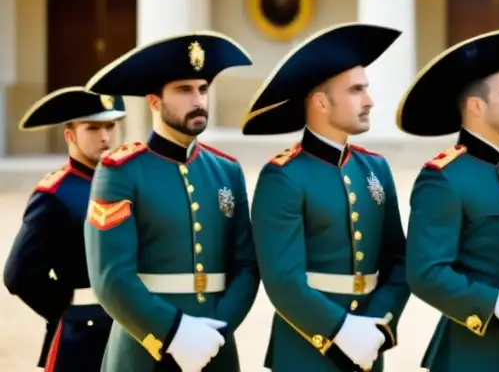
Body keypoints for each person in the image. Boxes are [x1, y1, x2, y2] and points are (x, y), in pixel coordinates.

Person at [83, 32, 260, 372]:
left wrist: (216, 330)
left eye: (203, 89)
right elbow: (111, 278)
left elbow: (247, 266)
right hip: (144, 350)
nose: (198, 100)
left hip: (215, 347)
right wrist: (174, 333)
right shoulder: (119, 171)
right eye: (184, 90)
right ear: (153, 101)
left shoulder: (227, 171)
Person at [243, 22, 410, 372]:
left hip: (370, 343)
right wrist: (342, 330)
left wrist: (378, 325)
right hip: (306, 352)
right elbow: (282, 280)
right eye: (356, 90)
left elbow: (399, 262)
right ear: (321, 102)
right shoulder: (283, 176)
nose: (370, 100)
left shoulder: (375, 168)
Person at [401, 29, 499, 372]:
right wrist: (495, 303)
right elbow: (425, 272)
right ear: (476, 106)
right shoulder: (443, 177)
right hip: (467, 354)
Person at [3, 87, 126, 371]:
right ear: (70, 135)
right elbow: (18, 274)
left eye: (110, 126)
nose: (105, 136)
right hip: (82, 336)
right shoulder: (55, 194)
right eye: (93, 128)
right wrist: (67, 309)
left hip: (134, 329)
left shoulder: (125, 182)